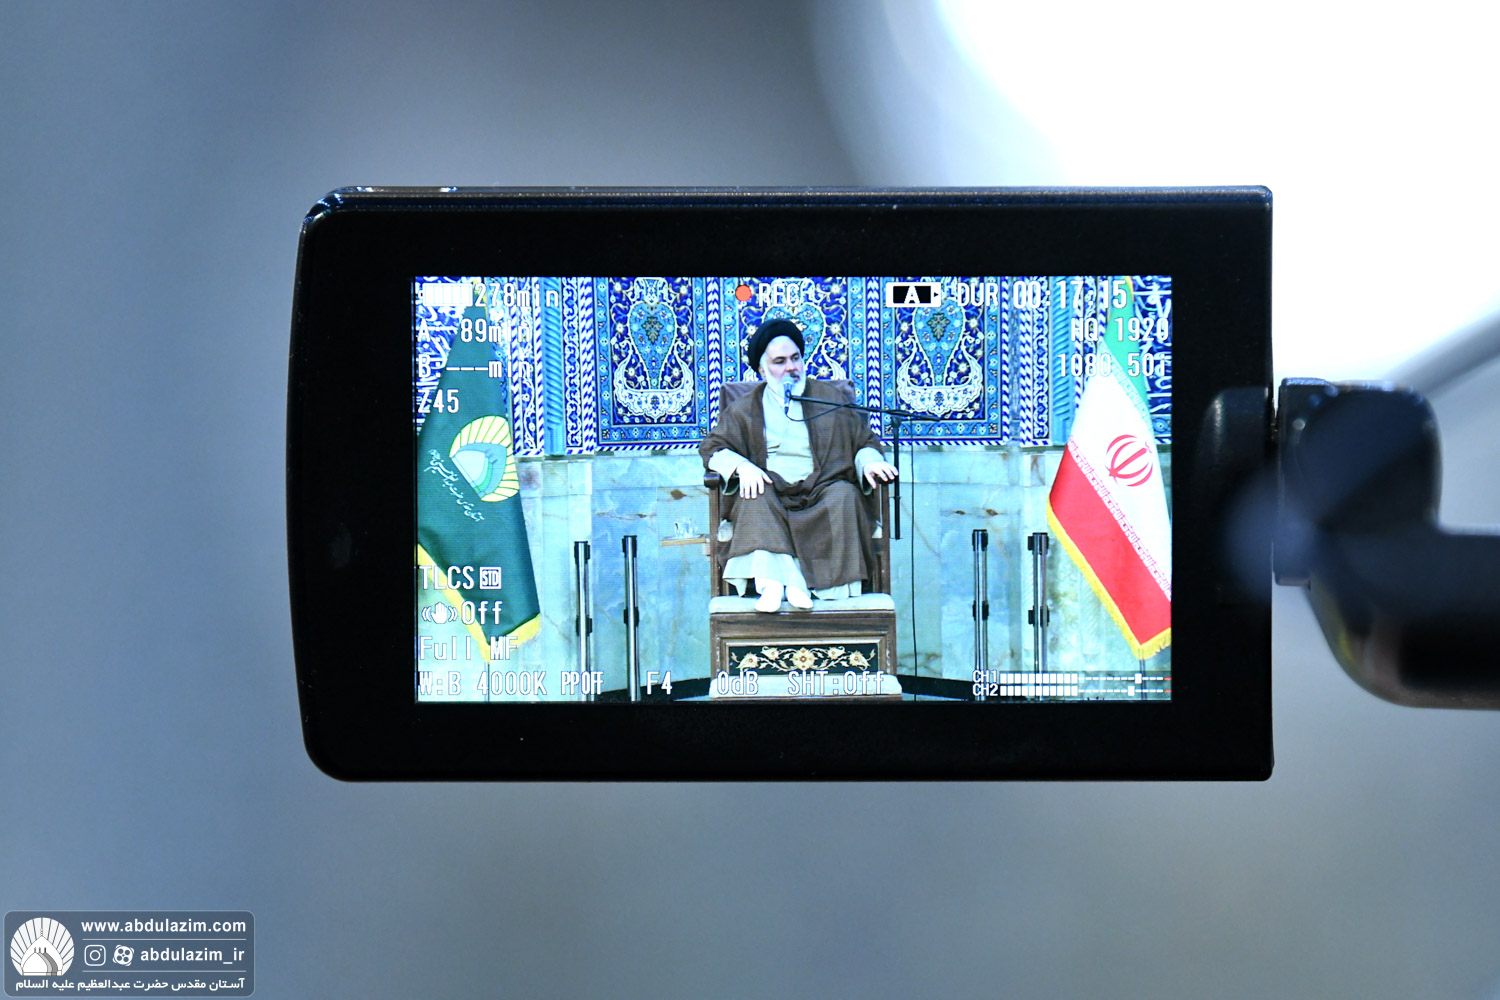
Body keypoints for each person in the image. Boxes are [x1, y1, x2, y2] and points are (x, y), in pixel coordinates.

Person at [699, 318, 899, 612]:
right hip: (772, 494)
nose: (790, 368)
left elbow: (863, 440)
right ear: (762, 370)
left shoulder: (830, 399)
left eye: (795, 358)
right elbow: (713, 447)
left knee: (845, 495)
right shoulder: (745, 408)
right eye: (779, 362)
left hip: (823, 489)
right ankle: (774, 586)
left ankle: (812, 587)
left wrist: (869, 462)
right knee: (753, 496)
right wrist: (743, 467)